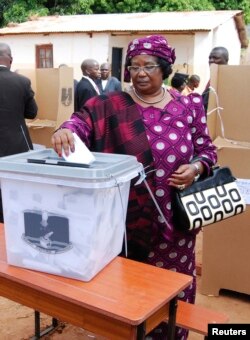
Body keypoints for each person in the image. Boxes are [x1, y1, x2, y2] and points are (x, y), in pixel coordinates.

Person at [51, 35, 217, 339]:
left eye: (149, 66)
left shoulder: (189, 106)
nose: (140, 72)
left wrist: (195, 168)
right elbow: (81, 122)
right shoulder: (109, 106)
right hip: (128, 220)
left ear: (164, 68)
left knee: (174, 287)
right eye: (134, 66)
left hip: (178, 220)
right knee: (133, 289)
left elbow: (207, 151)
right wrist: (66, 131)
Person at [0, 42, 38, 223]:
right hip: (16, 147)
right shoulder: (22, 81)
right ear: (10, 60)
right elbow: (32, 113)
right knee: (15, 190)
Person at [202, 46, 229, 113]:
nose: (211, 60)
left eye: (215, 58)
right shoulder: (214, 77)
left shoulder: (229, 79)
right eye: (210, 58)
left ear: (226, 60)